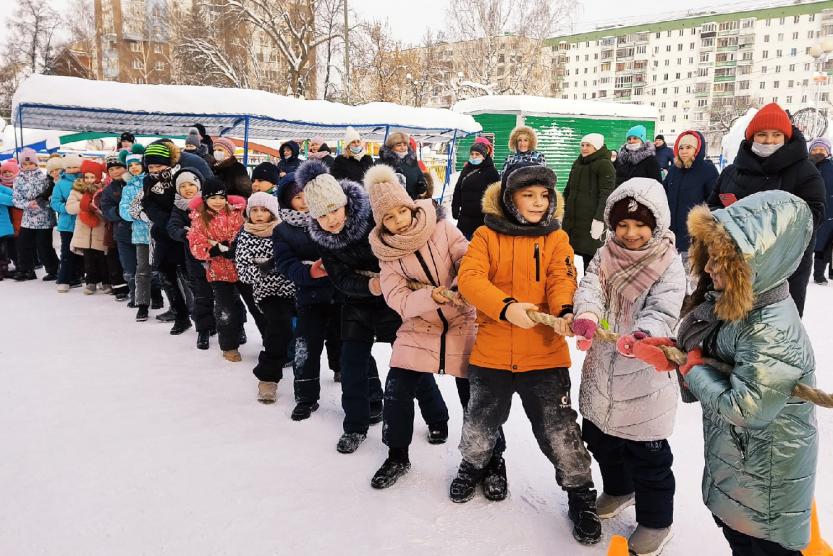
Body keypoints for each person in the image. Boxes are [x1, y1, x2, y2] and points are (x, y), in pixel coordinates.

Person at [634, 191, 817, 556]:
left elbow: (747, 409)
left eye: (726, 261)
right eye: (711, 256)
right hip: (745, 464)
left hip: (768, 476)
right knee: (740, 538)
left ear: (759, 263)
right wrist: (675, 350)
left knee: (760, 547)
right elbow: (715, 357)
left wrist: (693, 369)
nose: (712, 268)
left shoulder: (771, 329)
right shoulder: (738, 305)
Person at [452, 161, 601, 546]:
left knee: (560, 432)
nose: (538, 202)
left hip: (545, 355)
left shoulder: (557, 238)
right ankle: (475, 464)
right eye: (528, 195)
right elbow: (470, 280)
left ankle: (581, 495)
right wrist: (505, 307)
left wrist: (565, 311)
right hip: (492, 353)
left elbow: (561, 278)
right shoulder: (485, 235)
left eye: (544, 195)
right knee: (480, 423)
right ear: (509, 198)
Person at [571, 178, 685, 556]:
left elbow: (665, 309)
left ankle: (656, 522)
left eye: (640, 225)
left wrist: (643, 334)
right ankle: (620, 490)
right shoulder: (604, 256)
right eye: (622, 225)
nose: (630, 233)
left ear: (658, 225)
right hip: (603, 364)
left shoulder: (669, 263)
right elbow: (591, 288)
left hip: (645, 372)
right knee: (601, 438)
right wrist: (587, 315)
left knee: (649, 455)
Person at [301, 159, 444, 454]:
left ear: (344, 203)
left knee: (410, 362)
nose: (331, 219)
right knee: (352, 366)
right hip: (356, 305)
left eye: (334, 209)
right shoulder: (324, 239)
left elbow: (400, 249)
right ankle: (355, 425)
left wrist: (390, 283)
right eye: (322, 215)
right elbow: (339, 278)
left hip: (395, 301)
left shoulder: (372, 218)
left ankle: (437, 417)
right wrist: (370, 285)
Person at [365, 165, 471, 489]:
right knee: (397, 386)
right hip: (418, 325)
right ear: (381, 223)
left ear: (411, 205)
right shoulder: (387, 256)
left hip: (463, 317)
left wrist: (463, 278)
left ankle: (486, 459)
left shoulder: (442, 228)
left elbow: (467, 257)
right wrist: (432, 296)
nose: (398, 220)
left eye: (401, 211)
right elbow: (400, 301)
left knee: (478, 392)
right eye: (389, 218)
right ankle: (397, 455)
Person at [707, 103, 826, 317]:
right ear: (752, 137)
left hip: (783, 271)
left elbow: (813, 215)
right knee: (726, 334)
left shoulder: (804, 171)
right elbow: (712, 208)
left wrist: (757, 226)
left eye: (776, 134)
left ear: (786, 137)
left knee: (772, 335)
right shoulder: (732, 172)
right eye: (761, 134)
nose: (768, 140)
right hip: (731, 268)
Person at [273, 173, 343, 421]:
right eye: (297, 197)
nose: (303, 202)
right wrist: (308, 271)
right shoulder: (283, 230)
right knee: (306, 347)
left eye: (306, 196)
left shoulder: (331, 218)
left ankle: (351, 381)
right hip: (310, 296)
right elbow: (285, 263)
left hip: (341, 295)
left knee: (344, 342)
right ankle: (306, 396)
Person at [235, 191, 297, 403]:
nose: (259, 215)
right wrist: (263, 269)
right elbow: (242, 271)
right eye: (255, 210)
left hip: (294, 286)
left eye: (264, 210)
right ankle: (268, 377)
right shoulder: (245, 235)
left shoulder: (283, 231)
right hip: (268, 291)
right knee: (279, 327)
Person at [141, 140, 203, 334]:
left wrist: (176, 224)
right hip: (162, 233)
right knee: (166, 274)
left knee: (191, 276)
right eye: (151, 166)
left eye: (159, 165)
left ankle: (203, 317)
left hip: (183, 233)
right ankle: (180, 315)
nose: (155, 170)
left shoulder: (182, 177)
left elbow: (189, 200)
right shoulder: (148, 180)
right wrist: (165, 222)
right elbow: (148, 204)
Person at [187, 178, 247, 362]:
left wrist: (233, 248)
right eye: (213, 197)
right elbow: (196, 245)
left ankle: (243, 329)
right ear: (205, 199)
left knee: (246, 304)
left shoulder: (237, 213)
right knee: (225, 309)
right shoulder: (198, 218)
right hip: (218, 272)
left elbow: (243, 233)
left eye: (221, 197)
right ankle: (229, 346)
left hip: (242, 268)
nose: (218, 201)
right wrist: (212, 249)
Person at [168, 168, 219, 348]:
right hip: (194, 258)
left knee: (226, 294)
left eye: (191, 184)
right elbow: (172, 227)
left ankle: (234, 326)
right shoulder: (178, 207)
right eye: (183, 186)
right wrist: (184, 233)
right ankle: (204, 328)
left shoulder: (211, 202)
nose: (188, 189)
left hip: (217, 257)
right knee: (201, 294)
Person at [663, 130, 718, 293]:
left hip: (694, 235)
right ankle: (674, 299)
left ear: (697, 150)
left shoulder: (707, 170)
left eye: (689, 147)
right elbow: (663, 195)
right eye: (681, 148)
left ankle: (693, 301)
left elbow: (714, 201)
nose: (684, 151)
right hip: (672, 232)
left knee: (694, 275)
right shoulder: (674, 170)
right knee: (670, 273)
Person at [562, 133, 616, 271]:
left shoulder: (604, 165)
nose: (584, 148)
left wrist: (599, 219)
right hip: (572, 221)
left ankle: (590, 289)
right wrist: (562, 208)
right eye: (582, 145)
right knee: (565, 257)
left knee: (591, 261)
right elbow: (568, 189)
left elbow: (606, 194)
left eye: (588, 145)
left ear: (597, 147)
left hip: (591, 221)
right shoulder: (577, 163)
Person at [120, 147, 163, 320]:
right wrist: (136, 214)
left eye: (138, 164)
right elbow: (123, 209)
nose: (135, 167)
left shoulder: (154, 182)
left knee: (161, 267)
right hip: (140, 233)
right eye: (131, 165)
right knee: (142, 269)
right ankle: (142, 304)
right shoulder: (128, 188)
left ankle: (158, 294)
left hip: (157, 232)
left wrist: (153, 215)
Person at [12, 148, 59, 281]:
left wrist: (42, 204)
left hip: (44, 218)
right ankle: (26, 270)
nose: (28, 167)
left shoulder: (44, 178)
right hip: (27, 219)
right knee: (22, 244)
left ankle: (53, 269)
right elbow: (16, 199)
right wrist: (27, 204)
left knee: (43, 246)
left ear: (36, 163)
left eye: (30, 163)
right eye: (25, 164)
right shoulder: (18, 180)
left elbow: (51, 195)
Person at [66, 159, 109, 295]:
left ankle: (105, 281)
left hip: (99, 230)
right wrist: (82, 206)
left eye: (93, 177)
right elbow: (69, 208)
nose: (89, 180)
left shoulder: (103, 190)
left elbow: (105, 210)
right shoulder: (77, 191)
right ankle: (91, 281)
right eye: (87, 177)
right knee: (88, 259)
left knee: (102, 258)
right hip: (84, 231)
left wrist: (95, 208)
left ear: (98, 177)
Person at [451, 138, 500, 240]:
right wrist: (455, 207)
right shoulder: (466, 169)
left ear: (484, 156)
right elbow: (458, 189)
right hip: (465, 217)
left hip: (482, 219)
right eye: (472, 154)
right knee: (461, 246)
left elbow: (495, 196)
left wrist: (493, 216)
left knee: (479, 248)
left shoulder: (491, 172)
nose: (474, 156)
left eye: (477, 154)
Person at [99, 153, 133, 301]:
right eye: (111, 170)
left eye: (118, 167)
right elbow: (106, 210)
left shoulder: (135, 183)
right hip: (121, 230)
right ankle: (124, 288)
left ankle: (151, 291)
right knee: (125, 263)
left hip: (141, 230)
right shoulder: (109, 190)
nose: (115, 172)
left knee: (143, 263)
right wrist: (119, 211)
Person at [52, 155, 85, 291]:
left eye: (75, 166)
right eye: (69, 167)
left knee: (81, 252)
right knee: (66, 252)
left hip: (83, 223)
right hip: (67, 224)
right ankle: (63, 279)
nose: (71, 170)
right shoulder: (60, 183)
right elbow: (54, 202)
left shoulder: (85, 180)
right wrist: (66, 208)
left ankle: (77, 276)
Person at [809, 137, 833, 285]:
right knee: (803, 247)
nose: (818, 152)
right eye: (815, 149)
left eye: (822, 150)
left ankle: (819, 275)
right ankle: (797, 274)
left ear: (828, 152)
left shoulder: (831, 167)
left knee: (823, 247)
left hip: (829, 213)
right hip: (809, 212)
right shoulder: (805, 166)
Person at [377, 131, 426, 200]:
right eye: (399, 145)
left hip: (412, 201)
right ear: (391, 147)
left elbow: (420, 176)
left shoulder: (412, 161)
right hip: (391, 203)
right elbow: (377, 186)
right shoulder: (382, 162)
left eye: (405, 144)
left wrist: (421, 185)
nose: (402, 147)